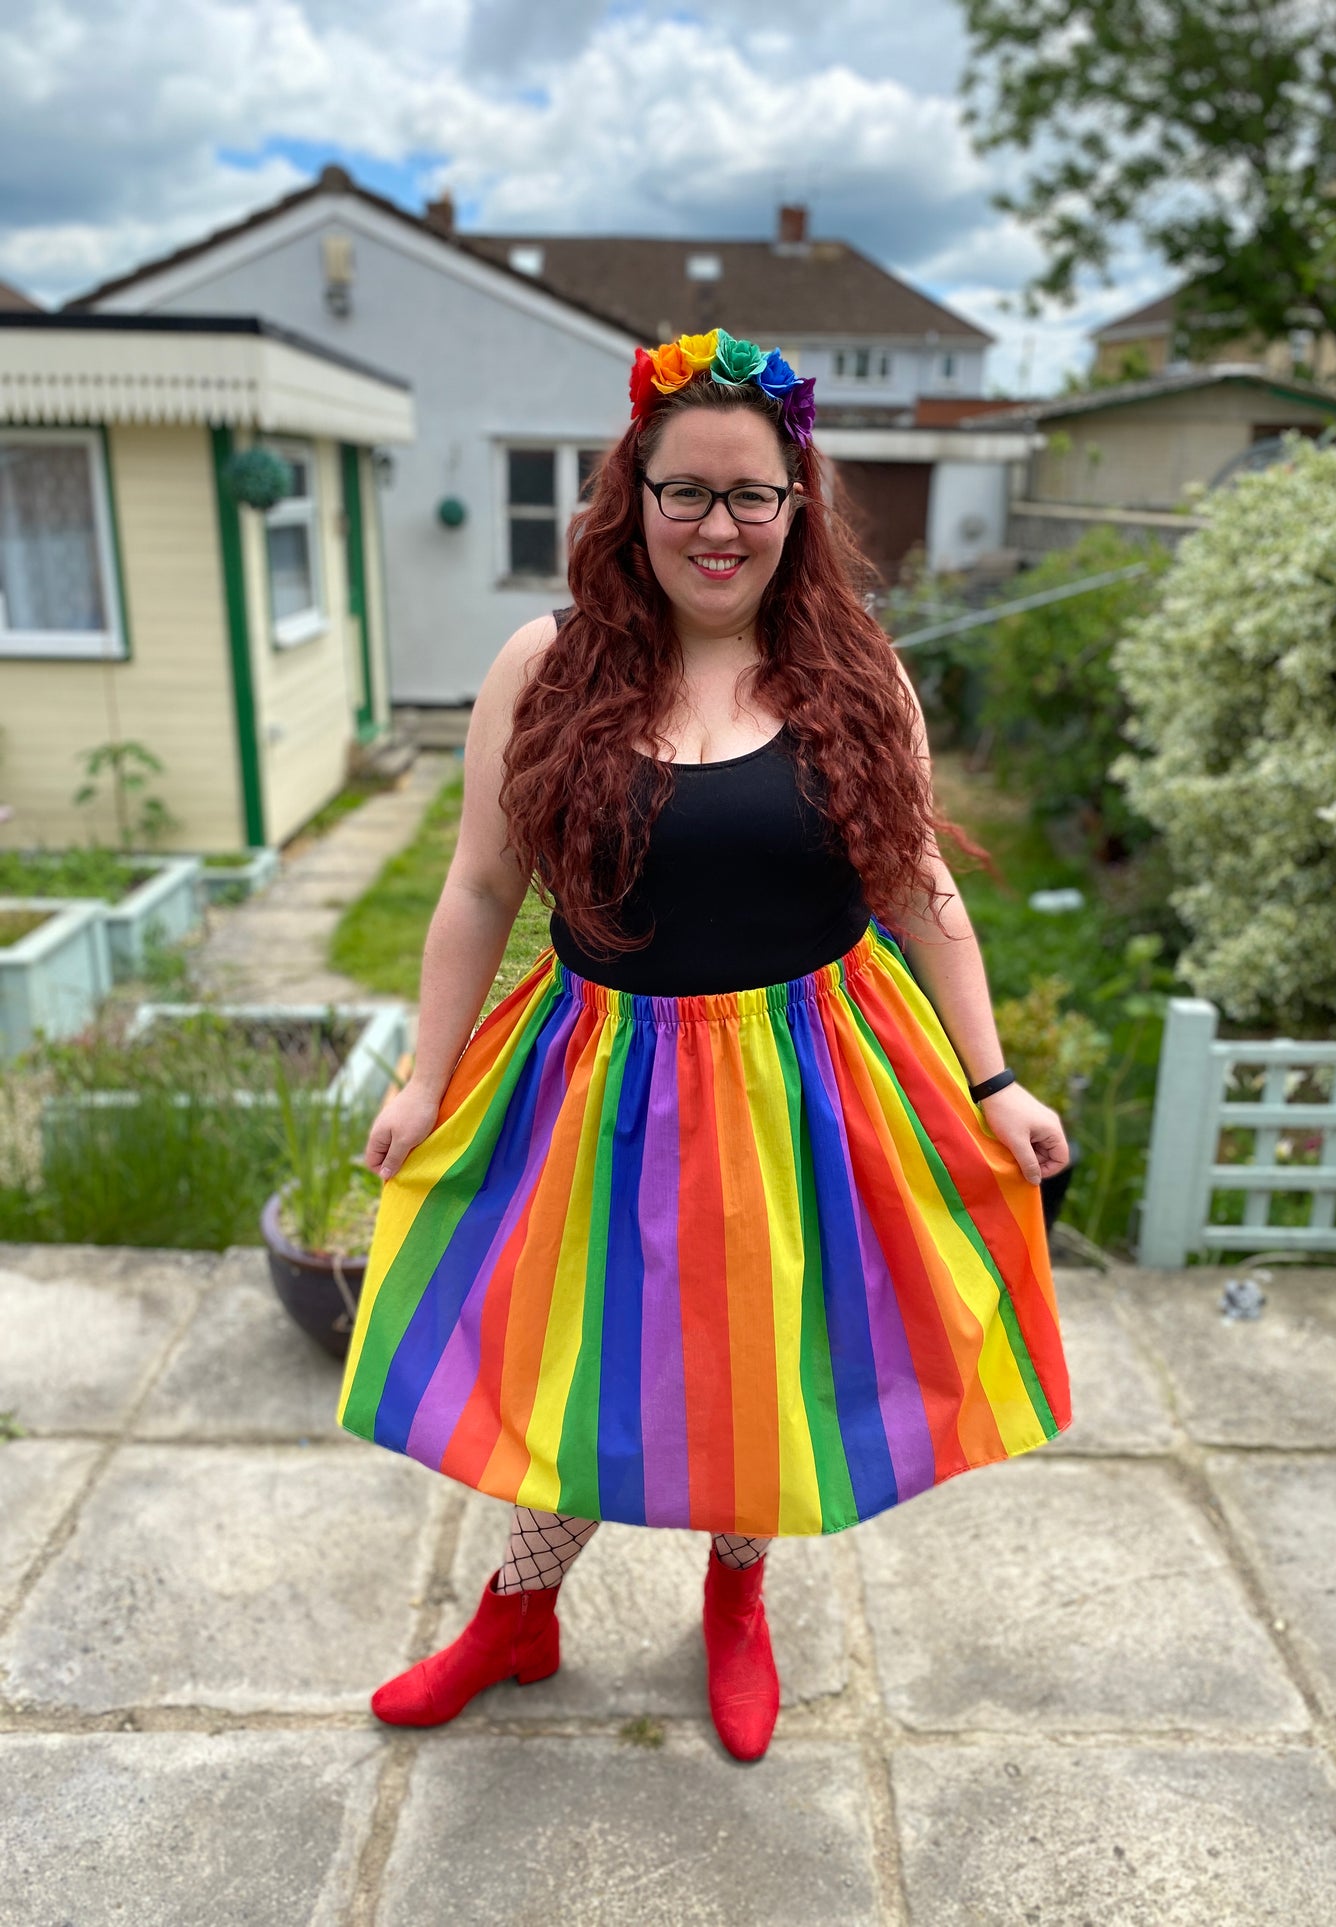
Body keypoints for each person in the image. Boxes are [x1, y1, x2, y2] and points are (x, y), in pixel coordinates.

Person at [336, 328, 1073, 1763]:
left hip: (804, 1074)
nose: (718, 527)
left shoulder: (857, 672)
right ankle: (517, 1610)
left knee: (756, 1357)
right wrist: (425, 1078)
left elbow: (919, 891)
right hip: (597, 1072)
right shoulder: (542, 664)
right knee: (576, 1359)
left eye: (752, 497)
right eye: (687, 493)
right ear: (635, 496)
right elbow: (481, 886)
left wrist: (992, 1079)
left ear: (796, 508)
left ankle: (736, 1599)